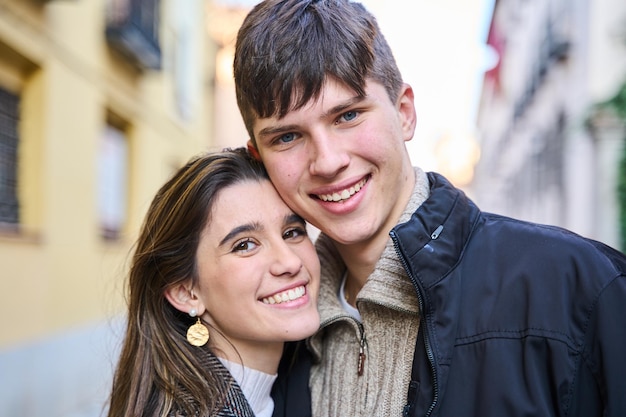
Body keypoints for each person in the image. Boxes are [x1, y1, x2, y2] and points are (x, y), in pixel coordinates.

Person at [232, 1, 626, 416]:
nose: (327, 162)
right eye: (288, 137)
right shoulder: (278, 335)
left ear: (404, 113)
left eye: (348, 115)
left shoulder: (577, 287)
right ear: (259, 157)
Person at [106, 147, 319, 417]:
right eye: (245, 245)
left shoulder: (292, 387)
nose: (290, 262)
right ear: (186, 292)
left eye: (292, 232)